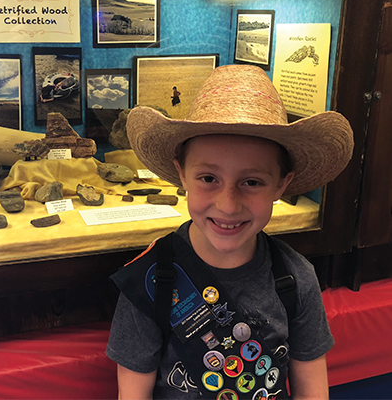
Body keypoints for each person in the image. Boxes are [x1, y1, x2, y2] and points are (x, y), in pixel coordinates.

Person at [106, 65, 354, 399]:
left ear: (282, 184)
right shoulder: (151, 281)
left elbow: (313, 390)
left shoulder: (297, 279)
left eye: (252, 182)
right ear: (182, 174)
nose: (227, 205)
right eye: (208, 178)